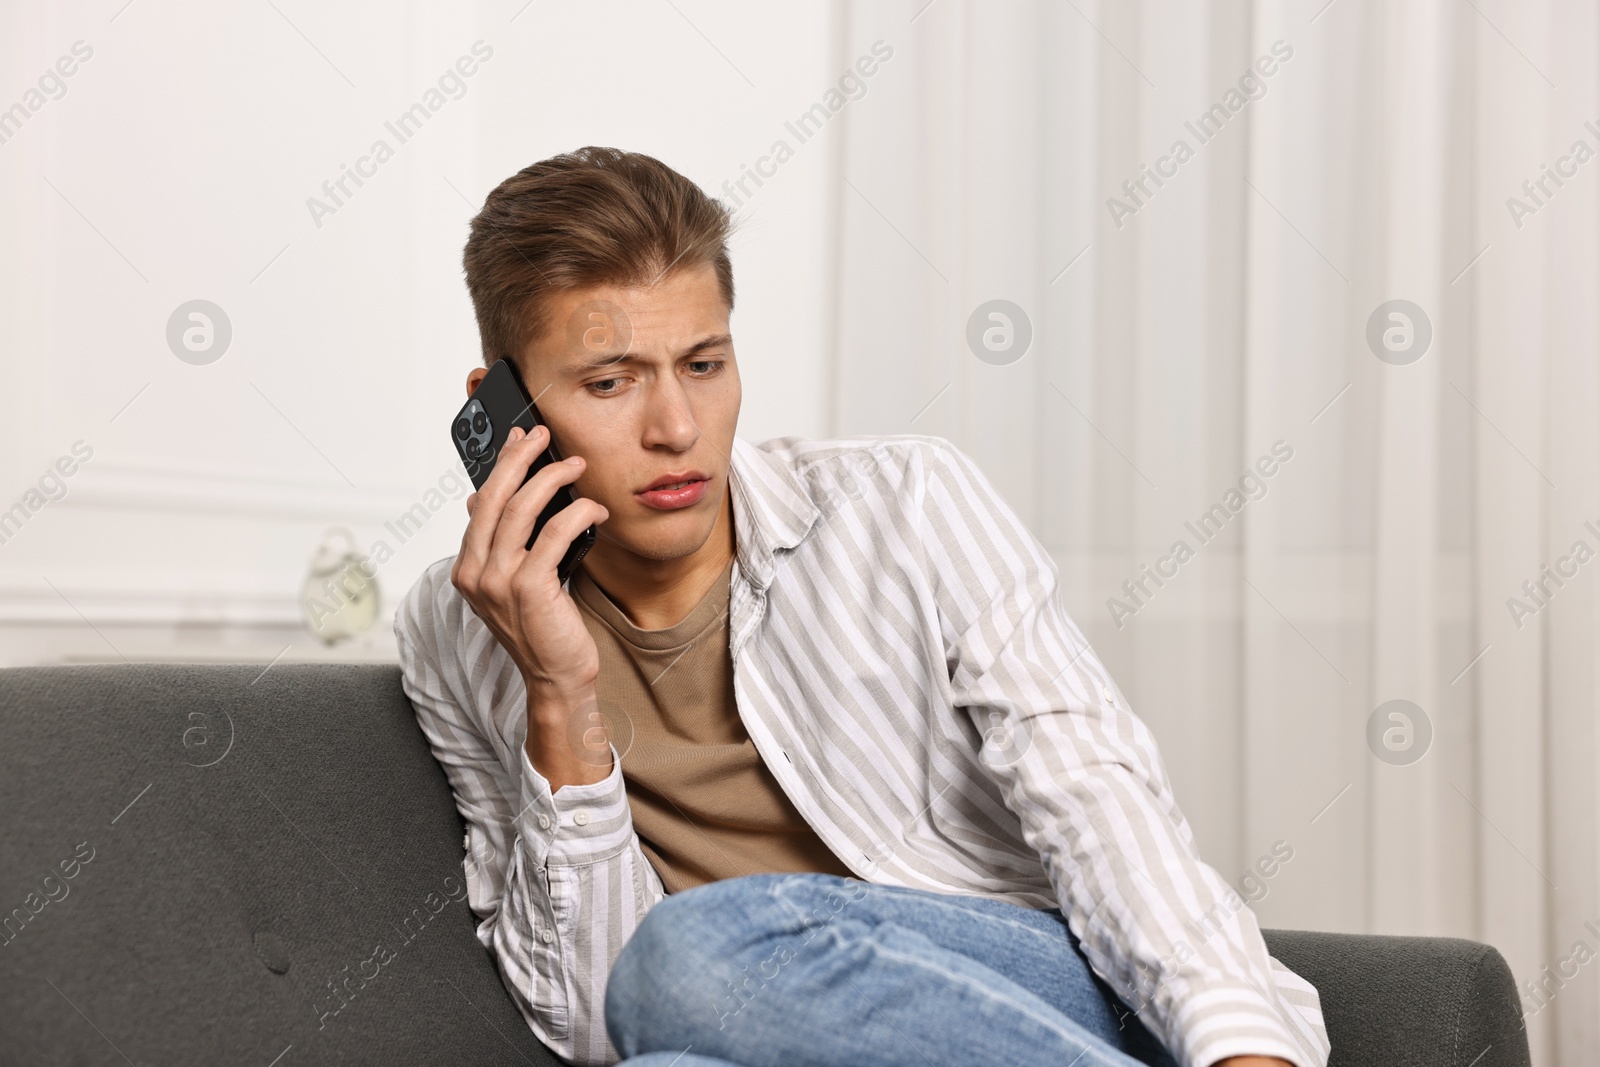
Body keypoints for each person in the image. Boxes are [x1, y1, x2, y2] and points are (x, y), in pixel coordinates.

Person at [394, 146, 1329, 1067]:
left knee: (689, 948)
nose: (676, 428)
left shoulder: (905, 504)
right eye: (611, 381)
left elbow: (1096, 797)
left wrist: (1240, 1050)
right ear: (504, 412)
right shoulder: (453, 631)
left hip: (1017, 991)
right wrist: (560, 693)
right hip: (754, 1028)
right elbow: (596, 1018)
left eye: (705, 365)